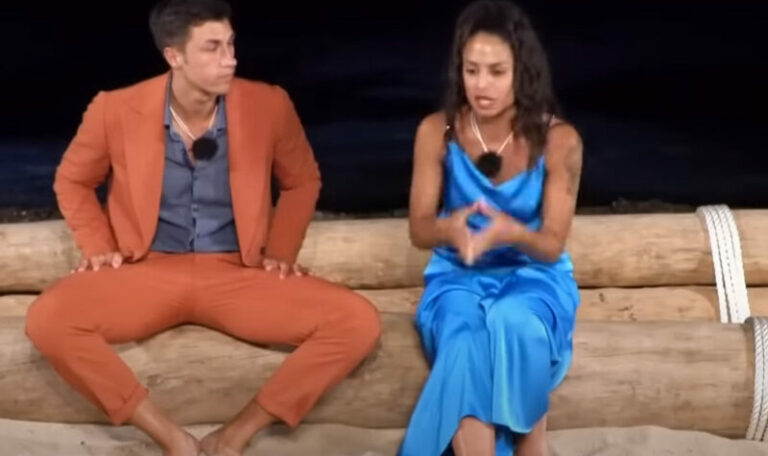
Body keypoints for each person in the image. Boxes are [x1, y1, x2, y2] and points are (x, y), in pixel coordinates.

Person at [24, 1, 381, 455]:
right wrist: (99, 248)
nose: (230, 59)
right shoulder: (114, 108)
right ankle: (170, 438)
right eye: (213, 48)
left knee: (356, 321)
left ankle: (236, 434)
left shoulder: (269, 104)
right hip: (146, 269)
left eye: (230, 45)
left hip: (239, 273)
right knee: (49, 320)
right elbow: (73, 180)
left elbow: (302, 181)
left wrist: (280, 252)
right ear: (174, 56)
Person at [400, 1, 583, 454]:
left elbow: (551, 245)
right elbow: (419, 229)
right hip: (457, 276)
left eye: (497, 72)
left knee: (512, 319)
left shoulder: (559, 140)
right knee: (463, 341)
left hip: (534, 276)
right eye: (471, 70)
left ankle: (531, 445)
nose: (481, 85)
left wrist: (511, 232)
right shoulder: (436, 131)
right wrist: (450, 229)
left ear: (523, 73)